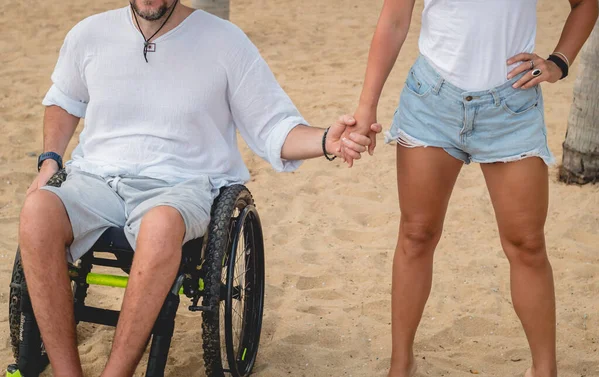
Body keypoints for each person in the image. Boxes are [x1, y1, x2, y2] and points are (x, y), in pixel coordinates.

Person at [18, 1, 382, 376]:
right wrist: (50, 160)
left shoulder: (225, 42)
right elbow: (64, 101)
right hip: (96, 178)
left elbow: (273, 126)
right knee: (36, 214)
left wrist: (327, 141)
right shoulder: (88, 34)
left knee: (160, 228)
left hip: (180, 185)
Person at [339, 0, 599, 376]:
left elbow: (585, 5)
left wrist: (559, 62)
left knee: (527, 243)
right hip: (431, 101)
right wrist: (366, 107)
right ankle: (401, 366)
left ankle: (545, 370)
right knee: (416, 235)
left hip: (512, 107)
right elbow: (395, 20)